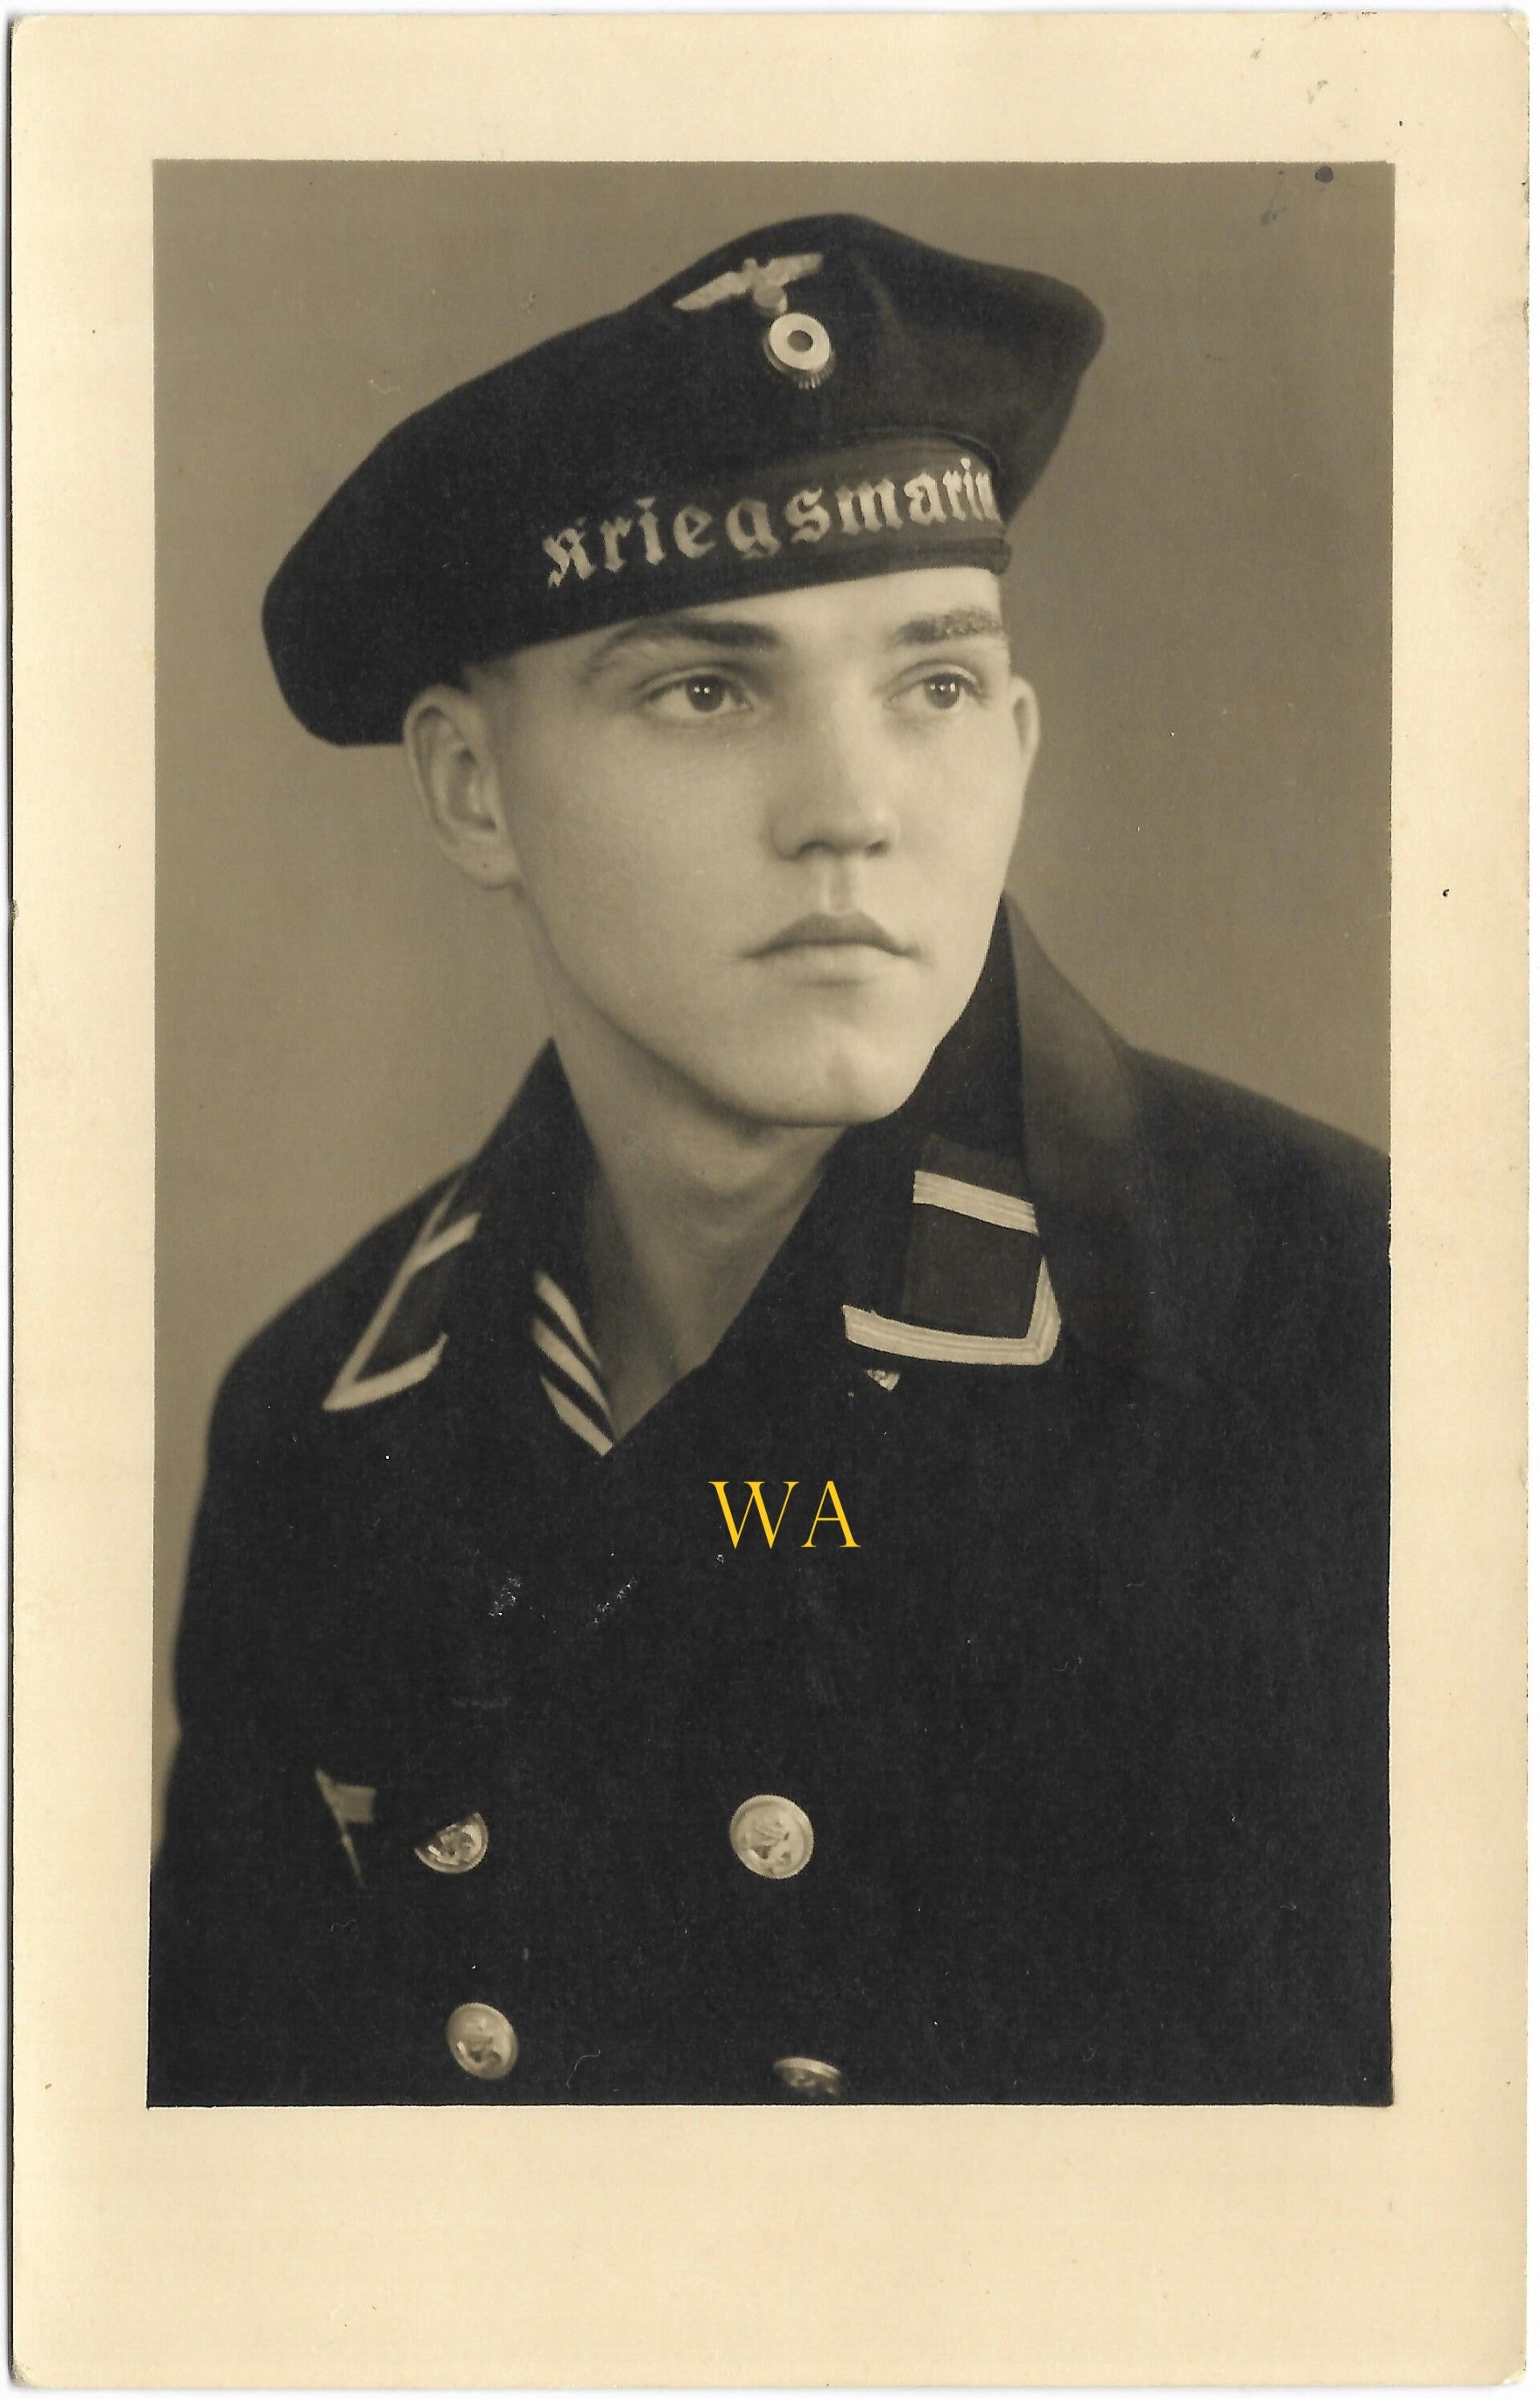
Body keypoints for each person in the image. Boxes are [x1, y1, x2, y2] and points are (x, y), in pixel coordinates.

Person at [148, 213, 1390, 2107]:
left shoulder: (1340, 1330)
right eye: (708, 691)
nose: (850, 811)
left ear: (1018, 742)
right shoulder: (322, 1424)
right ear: (473, 791)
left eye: (935, 685)